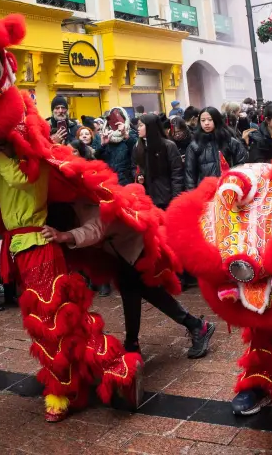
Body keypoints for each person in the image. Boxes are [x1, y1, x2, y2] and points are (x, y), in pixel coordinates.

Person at [42, 204, 215, 359]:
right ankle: (190, 327)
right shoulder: (66, 202)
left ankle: (192, 327)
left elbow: (95, 229)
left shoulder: (82, 200)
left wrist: (64, 236)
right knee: (137, 289)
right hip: (121, 248)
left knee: (138, 289)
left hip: (134, 243)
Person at [185, 107, 248, 190]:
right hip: (205, 191)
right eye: (203, 120)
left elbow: (242, 165)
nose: (206, 123)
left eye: (210, 120)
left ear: (217, 120)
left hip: (229, 189)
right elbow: (190, 174)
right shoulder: (194, 146)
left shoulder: (230, 141)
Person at [133, 114, 184, 209]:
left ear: (150, 126)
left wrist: (176, 198)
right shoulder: (138, 147)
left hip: (166, 197)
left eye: (140, 125)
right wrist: (139, 175)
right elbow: (134, 167)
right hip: (147, 198)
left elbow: (177, 173)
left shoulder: (168, 146)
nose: (138, 128)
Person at [94, 107, 138, 186]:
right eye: (112, 119)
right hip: (109, 181)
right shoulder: (104, 135)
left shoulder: (132, 134)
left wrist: (125, 135)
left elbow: (136, 152)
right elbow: (97, 158)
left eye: (119, 119)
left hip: (127, 180)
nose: (116, 122)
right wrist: (103, 144)